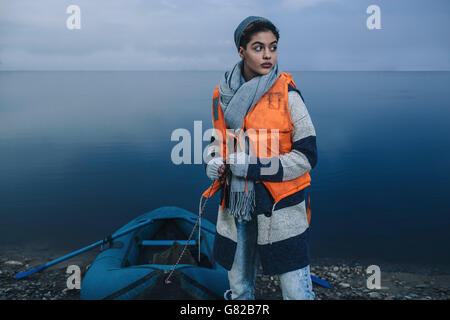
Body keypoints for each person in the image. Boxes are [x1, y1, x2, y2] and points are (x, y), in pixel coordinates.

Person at [203, 16, 318, 300]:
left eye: (273, 47)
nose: (268, 55)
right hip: (236, 206)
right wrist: (212, 161)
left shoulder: (288, 95)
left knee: (296, 292)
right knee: (240, 288)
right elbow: (217, 141)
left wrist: (254, 167)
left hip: (281, 208)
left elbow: (307, 156)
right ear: (241, 52)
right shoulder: (222, 94)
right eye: (258, 47)